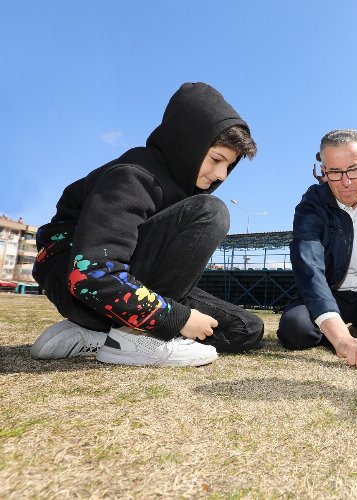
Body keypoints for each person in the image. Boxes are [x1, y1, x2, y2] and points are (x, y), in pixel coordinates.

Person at [30, 82, 264, 367]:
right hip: (80, 289)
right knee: (211, 211)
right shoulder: (131, 176)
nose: (222, 175)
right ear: (188, 143)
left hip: (125, 293)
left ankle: (100, 335)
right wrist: (174, 318)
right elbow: (89, 275)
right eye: (217, 159)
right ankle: (135, 338)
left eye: (229, 166)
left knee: (246, 328)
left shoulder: (180, 189)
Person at [277, 129, 357, 370]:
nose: (346, 182)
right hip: (328, 290)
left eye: (353, 170)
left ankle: (352, 327)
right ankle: (339, 331)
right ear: (324, 172)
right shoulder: (310, 204)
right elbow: (310, 270)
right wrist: (342, 340)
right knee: (294, 331)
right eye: (335, 173)